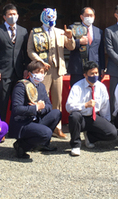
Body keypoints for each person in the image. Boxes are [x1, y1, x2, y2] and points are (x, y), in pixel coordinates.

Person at [27, 8, 75, 138]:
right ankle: (42, 126)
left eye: (53, 17)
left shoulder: (60, 32)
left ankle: (57, 127)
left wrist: (70, 37)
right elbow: (30, 50)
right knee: (42, 98)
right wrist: (39, 61)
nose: (51, 19)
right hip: (43, 70)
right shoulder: (35, 32)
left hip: (58, 69)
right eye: (48, 17)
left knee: (58, 99)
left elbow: (71, 47)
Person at [8, 61, 62, 158]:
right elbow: (16, 109)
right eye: (37, 72)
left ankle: (42, 144)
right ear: (29, 74)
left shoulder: (41, 86)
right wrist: (35, 108)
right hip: (23, 122)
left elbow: (49, 105)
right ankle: (21, 146)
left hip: (36, 118)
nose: (40, 74)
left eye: (42, 72)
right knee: (46, 133)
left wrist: (40, 108)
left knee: (56, 113)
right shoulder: (21, 86)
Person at [66, 61, 117, 156]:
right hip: (81, 117)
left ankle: (90, 137)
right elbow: (69, 107)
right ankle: (75, 145)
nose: (95, 76)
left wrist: (106, 122)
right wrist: (85, 105)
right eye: (92, 73)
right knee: (74, 116)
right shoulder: (77, 86)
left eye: (96, 73)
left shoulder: (101, 87)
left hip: (93, 117)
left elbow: (105, 106)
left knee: (113, 133)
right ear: (85, 75)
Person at [0, 3, 29, 121]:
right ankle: (0, 126)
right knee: (2, 102)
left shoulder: (23, 31)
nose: (12, 16)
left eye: (14, 14)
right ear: (4, 17)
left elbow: (26, 52)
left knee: (18, 101)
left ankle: (16, 126)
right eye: (10, 14)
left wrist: (26, 68)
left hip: (19, 72)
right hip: (3, 73)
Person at [67, 7, 105, 87]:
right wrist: (79, 42)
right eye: (87, 15)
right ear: (81, 17)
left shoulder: (99, 31)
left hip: (94, 68)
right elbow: (67, 45)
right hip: (78, 68)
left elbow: (101, 51)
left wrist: (102, 68)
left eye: (91, 15)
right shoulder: (73, 28)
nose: (89, 17)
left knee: (93, 91)